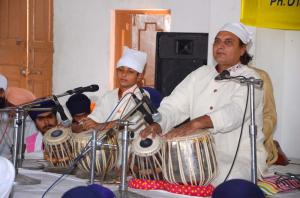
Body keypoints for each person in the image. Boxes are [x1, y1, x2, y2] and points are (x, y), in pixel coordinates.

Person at [140, 22, 268, 185]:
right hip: (196, 155)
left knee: (225, 180)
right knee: (167, 176)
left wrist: (196, 124)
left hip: (238, 159)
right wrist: (159, 124)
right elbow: (174, 105)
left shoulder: (251, 79)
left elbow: (235, 112)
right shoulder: (200, 74)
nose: (220, 46)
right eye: (217, 41)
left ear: (242, 50)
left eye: (228, 42)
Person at [81, 46, 149, 167]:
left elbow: (129, 122)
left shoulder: (142, 96)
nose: (123, 74)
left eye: (130, 71)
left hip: (131, 160)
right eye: (121, 70)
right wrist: (86, 123)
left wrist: (102, 125)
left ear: (140, 76)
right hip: (105, 156)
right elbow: (96, 117)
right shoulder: (109, 95)